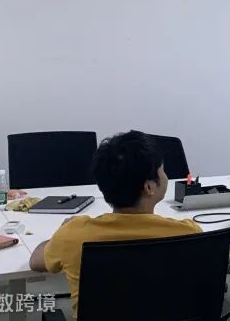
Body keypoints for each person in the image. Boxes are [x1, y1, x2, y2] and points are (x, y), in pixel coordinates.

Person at [29, 131, 202, 317]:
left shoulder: (74, 235)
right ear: (149, 187)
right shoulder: (188, 234)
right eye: (163, 170)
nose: (166, 176)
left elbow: (35, 262)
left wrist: (61, 233)